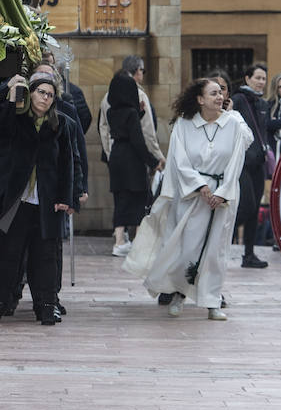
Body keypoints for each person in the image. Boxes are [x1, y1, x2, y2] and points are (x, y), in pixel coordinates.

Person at [123, 78, 252, 320]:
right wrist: (201, 187)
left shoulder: (234, 123)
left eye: (220, 93)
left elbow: (236, 161)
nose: (219, 97)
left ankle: (212, 302)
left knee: (216, 251)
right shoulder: (184, 124)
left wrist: (222, 192)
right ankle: (179, 293)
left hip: (222, 195)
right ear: (200, 99)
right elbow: (179, 160)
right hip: (191, 194)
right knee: (186, 249)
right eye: (212, 93)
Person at [0, 72, 74, 325]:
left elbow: (67, 163)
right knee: (8, 256)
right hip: (16, 201)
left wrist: (67, 198)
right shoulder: (16, 119)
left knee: (44, 259)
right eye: (41, 92)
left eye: (50, 95)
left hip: (46, 202)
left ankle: (45, 308)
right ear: (30, 93)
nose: (45, 98)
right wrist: (11, 98)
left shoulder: (60, 124)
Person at [107, 71, 159, 257]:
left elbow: (122, 127)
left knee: (121, 200)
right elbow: (137, 141)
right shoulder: (131, 113)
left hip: (116, 156)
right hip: (131, 159)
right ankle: (138, 242)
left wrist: (140, 112)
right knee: (139, 198)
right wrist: (153, 162)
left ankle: (119, 241)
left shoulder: (111, 111)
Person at [229, 62, 271, 269]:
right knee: (246, 206)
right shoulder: (238, 100)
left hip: (259, 163)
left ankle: (249, 255)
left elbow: (265, 131)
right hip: (243, 162)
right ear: (247, 79)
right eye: (257, 78)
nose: (261, 82)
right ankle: (221, 238)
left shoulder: (264, 105)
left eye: (263, 78)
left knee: (255, 210)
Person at [99, 55, 164, 171]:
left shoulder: (107, 96)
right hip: (137, 158)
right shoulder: (140, 95)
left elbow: (103, 128)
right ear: (137, 70)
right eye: (142, 70)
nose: (143, 74)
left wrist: (110, 154)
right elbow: (147, 131)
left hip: (115, 155)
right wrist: (156, 156)